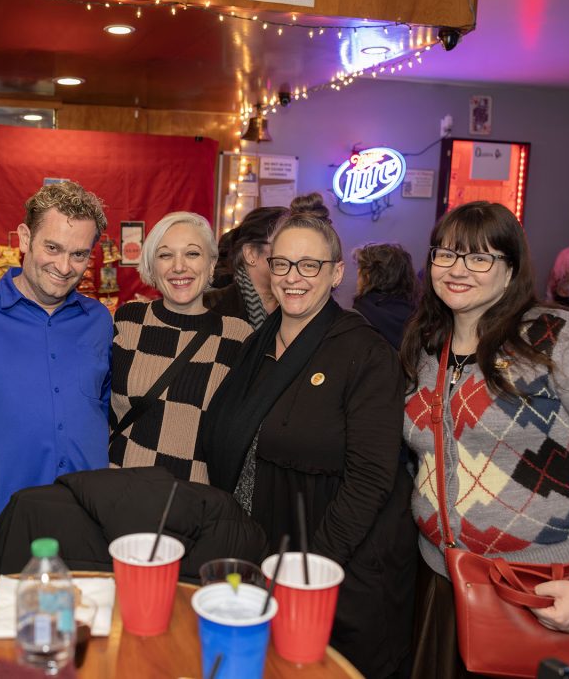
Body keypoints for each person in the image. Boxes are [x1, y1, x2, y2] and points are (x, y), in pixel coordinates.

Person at [400, 201, 569, 677]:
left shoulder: (558, 338)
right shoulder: (427, 346)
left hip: (548, 588)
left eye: (480, 257)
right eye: (445, 254)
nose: (458, 269)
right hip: (445, 582)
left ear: (510, 271)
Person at [202, 210, 417, 678]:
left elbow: (371, 476)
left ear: (337, 272)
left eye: (309, 265)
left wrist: (310, 570)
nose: (292, 278)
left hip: (334, 564)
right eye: (282, 264)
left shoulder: (366, 354)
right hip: (262, 551)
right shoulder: (257, 345)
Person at [0, 181, 112, 537]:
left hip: (89, 525)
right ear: (24, 238)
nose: (64, 267)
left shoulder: (98, 320)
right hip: (4, 524)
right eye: (52, 247)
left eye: (79, 254)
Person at [109, 212, 252, 483]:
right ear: (152, 265)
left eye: (192, 254)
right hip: (120, 493)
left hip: (193, 501)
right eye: (165, 255)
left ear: (211, 264)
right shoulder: (127, 320)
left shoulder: (238, 337)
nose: (178, 267)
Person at [203, 206, 285, 327]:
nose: (292, 253)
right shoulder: (211, 307)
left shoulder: (296, 306)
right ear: (251, 253)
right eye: (282, 243)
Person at [352, 242, 418, 350]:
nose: (357, 281)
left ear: (367, 277)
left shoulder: (357, 317)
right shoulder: (419, 319)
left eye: (359, 274)